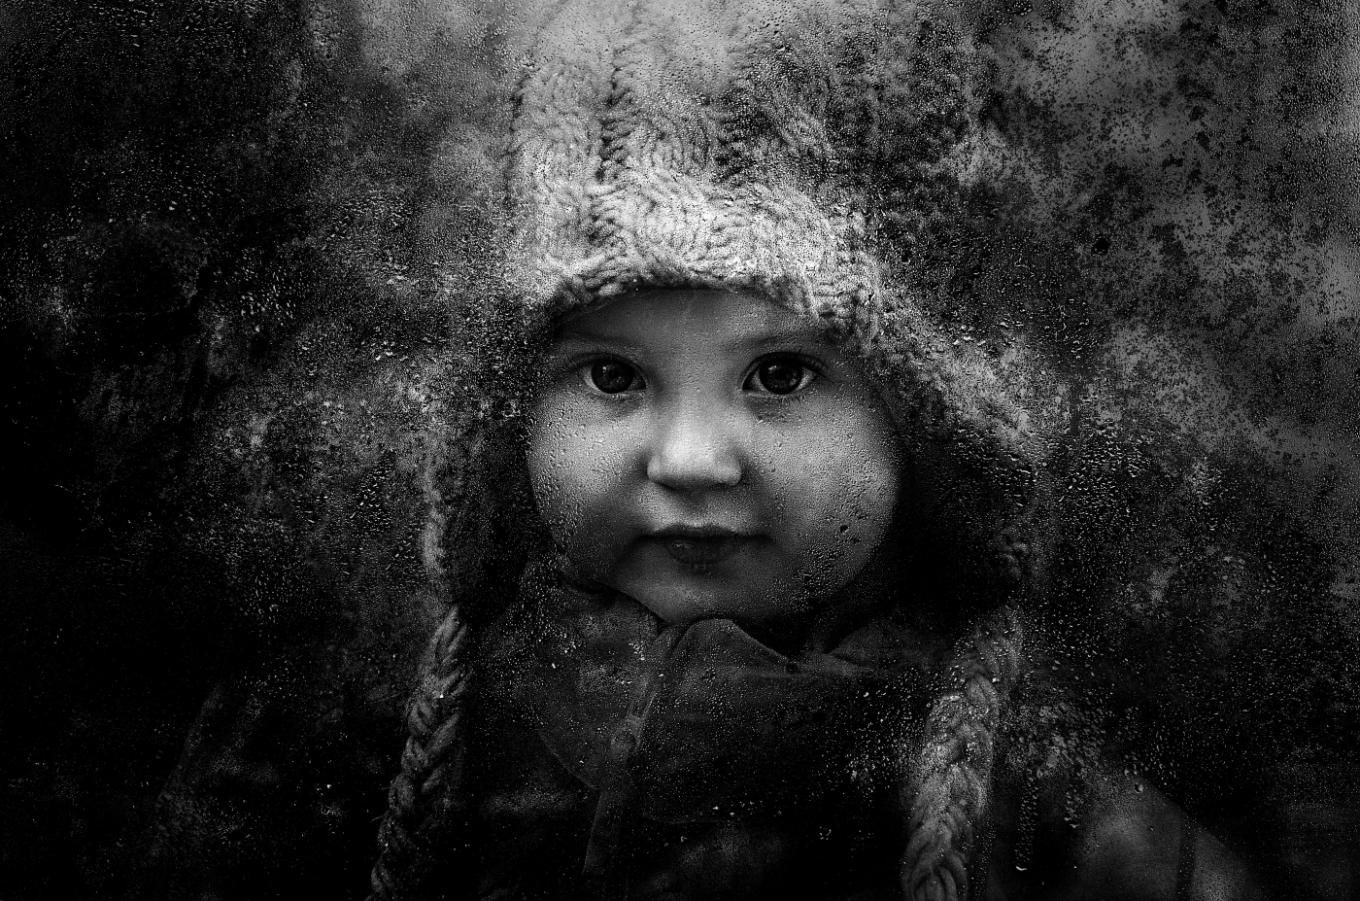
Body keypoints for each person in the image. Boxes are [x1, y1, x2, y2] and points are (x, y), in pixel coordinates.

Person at [363, 1, 1264, 899]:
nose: (690, 459)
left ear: (923, 418)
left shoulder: (1051, 821)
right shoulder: (411, 740)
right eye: (612, 375)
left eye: (780, 374)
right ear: (512, 409)